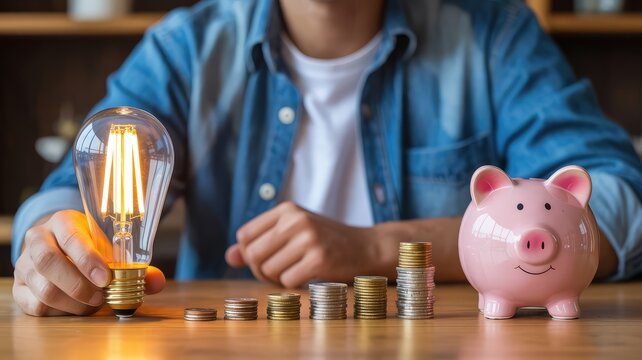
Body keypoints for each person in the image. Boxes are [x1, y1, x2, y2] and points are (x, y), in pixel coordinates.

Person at [11, 0, 642, 316]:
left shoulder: (492, 34)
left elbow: (617, 208)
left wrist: (379, 246)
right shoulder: (187, 49)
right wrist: (52, 244)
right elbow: (68, 192)